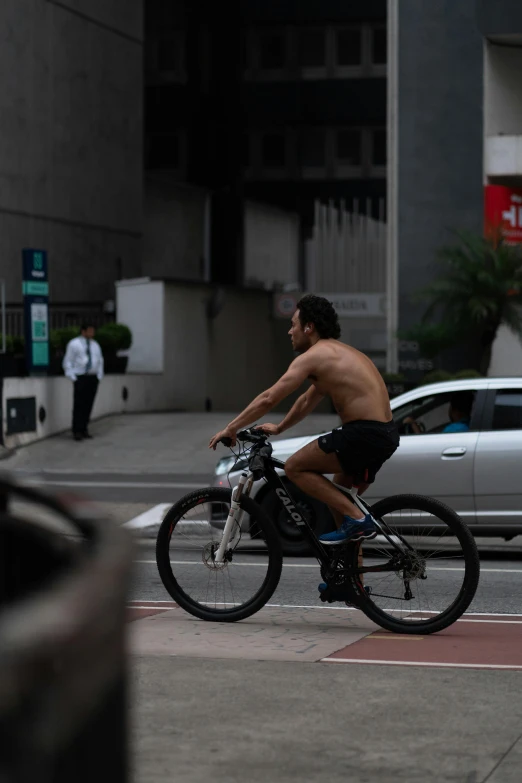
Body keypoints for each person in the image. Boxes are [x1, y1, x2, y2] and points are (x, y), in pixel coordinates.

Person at [209, 294, 399, 549]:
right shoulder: (339, 355)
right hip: (383, 435)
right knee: (337, 503)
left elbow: (268, 398)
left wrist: (231, 427)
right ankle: (349, 585)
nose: (290, 331)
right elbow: (306, 401)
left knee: (295, 467)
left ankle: (358, 519)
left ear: (308, 327)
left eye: (293, 324)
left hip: (364, 433)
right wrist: (279, 428)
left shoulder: (314, 356)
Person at [62, 323, 104, 441]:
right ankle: (77, 430)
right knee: (79, 404)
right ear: (83, 331)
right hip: (81, 376)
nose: (92, 333)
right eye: (90, 330)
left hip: (92, 377)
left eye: (93, 330)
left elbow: (100, 360)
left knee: (88, 404)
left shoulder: (95, 345)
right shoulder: (74, 344)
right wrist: (72, 376)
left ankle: (84, 428)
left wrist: (99, 375)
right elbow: (68, 360)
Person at [403, 391, 473, 435]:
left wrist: (415, 428)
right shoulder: (470, 425)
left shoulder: (454, 429)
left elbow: (433, 450)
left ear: (454, 410)